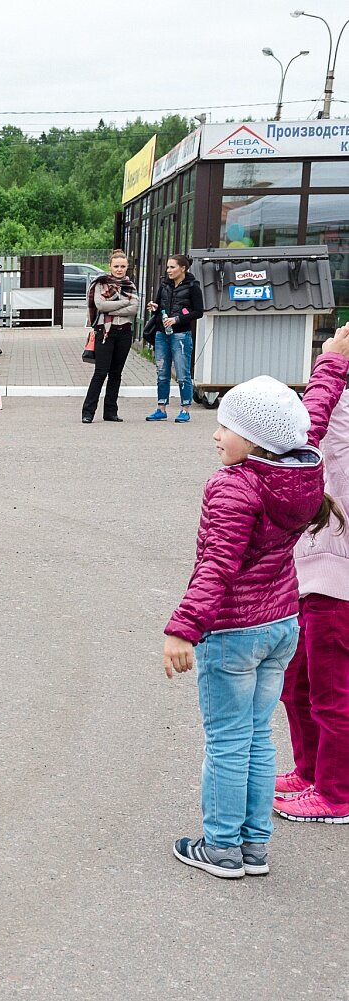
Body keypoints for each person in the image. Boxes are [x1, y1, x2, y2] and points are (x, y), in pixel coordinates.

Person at [162, 326, 349, 879]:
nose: (217, 434)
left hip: (234, 632)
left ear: (258, 440)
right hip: (281, 625)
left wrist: (183, 628)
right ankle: (254, 846)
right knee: (257, 734)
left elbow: (216, 565)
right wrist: (332, 362)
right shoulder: (303, 467)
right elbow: (309, 414)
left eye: (229, 427)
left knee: (225, 738)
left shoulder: (235, 487)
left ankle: (220, 847)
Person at [278, 333, 349, 824]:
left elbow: (307, 434)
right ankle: (310, 771)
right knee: (296, 681)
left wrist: (330, 362)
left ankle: (336, 792)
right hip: (312, 567)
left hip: (337, 577)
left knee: (331, 692)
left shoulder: (338, 410)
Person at [81, 250, 140, 424]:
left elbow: (134, 309)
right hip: (105, 332)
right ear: (110, 267)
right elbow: (100, 305)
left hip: (124, 332)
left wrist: (111, 307)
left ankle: (110, 412)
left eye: (123, 266)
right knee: (100, 372)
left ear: (127, 267)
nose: (119, 269)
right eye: (116, 266)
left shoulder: (130, 285)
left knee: (116, 374)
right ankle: (88, 412)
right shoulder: (101, 283)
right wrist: (123, 303)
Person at [146, 253, 205, 424]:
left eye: (172, 267)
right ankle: (161, 408)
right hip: (161, 333)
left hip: (180, 335)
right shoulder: (164, 284)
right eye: (168, 267)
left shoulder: (193, 286)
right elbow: (157, 306)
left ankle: (185, 409)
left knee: (182, 373)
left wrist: (177, 319)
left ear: (183, 268)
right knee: (162, 373)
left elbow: (198, 312)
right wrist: (154, 307)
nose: (168, 270)